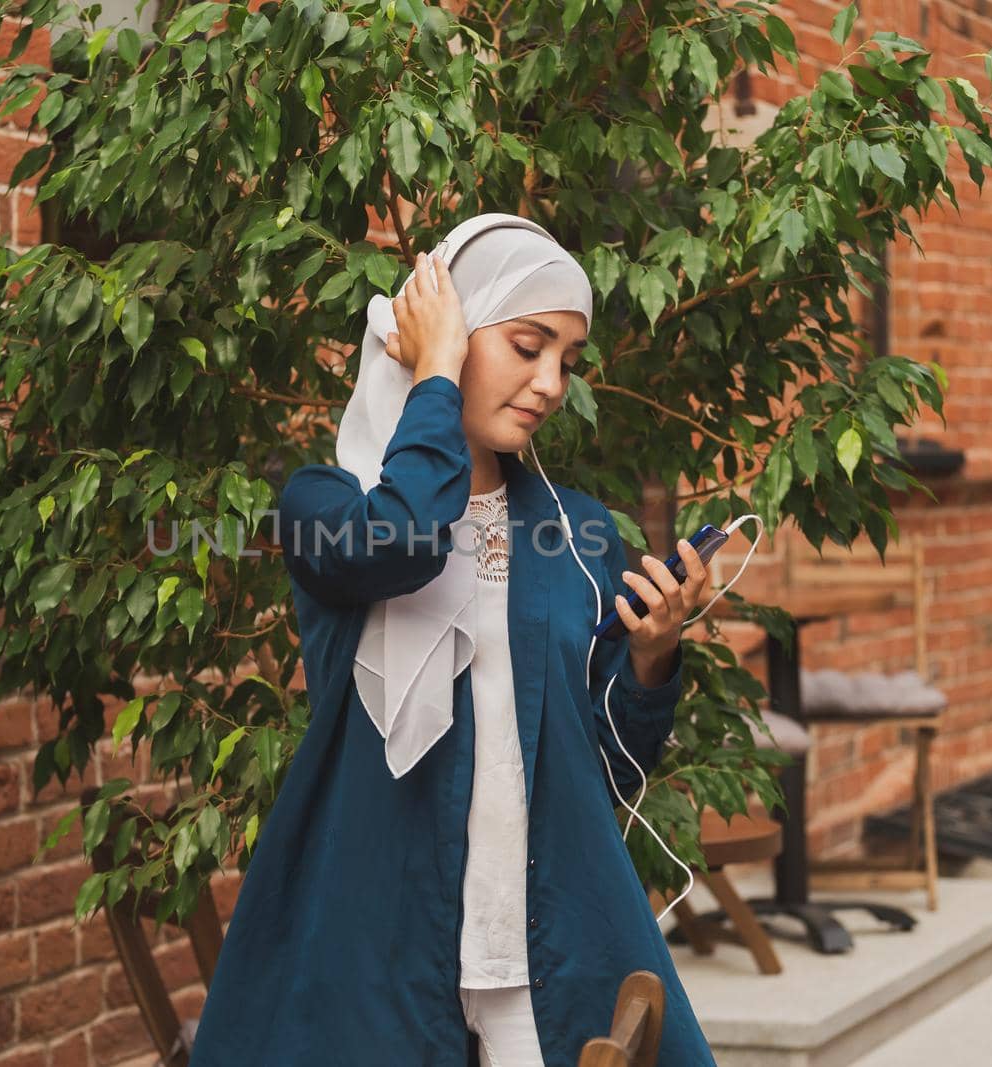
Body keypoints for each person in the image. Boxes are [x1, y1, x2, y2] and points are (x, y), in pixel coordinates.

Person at [187, 213, 716, 1066]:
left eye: (567, 362)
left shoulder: (575, 534)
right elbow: (401, 542)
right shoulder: (323, 507)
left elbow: (611, 767)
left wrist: (653, 653)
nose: (550, 383)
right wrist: (431, 371)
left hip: (538, 944)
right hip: (377, 948)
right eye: (526, 344)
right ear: (455, 331)